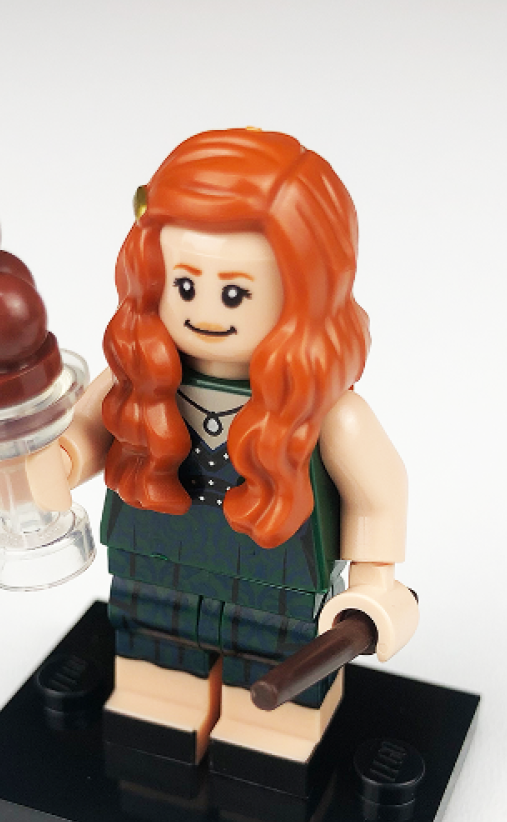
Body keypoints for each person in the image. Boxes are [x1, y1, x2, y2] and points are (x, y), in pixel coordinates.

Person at [23, 129, 418, 785]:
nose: (206, 310)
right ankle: (156, 720)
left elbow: (379, 496)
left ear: (304, 289)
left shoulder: (328, 415)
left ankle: (270, 747)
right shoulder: (136, 385)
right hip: (155, 557)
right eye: (185, 284)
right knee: (154, 656)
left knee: (270, 683)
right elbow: (78, 445)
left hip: (277, 576)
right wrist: (32, 456)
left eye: (235, 293)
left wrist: (374, 583)